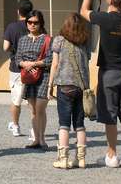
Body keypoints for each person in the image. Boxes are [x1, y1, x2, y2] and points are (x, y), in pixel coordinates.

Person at [81, 0, 121, 168]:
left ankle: (112, 155)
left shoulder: (105, 19)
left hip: (108, 74)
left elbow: (83, 11)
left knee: (110, 117)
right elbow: (113, 2)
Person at [48, 12, 91, 169]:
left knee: (64, 124)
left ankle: (63, 159)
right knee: (79, 124)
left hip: (64, 85)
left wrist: (50, 85)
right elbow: (86, 64)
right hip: (81, 87)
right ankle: (81, 159)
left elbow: (54, 64)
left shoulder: (59, 40)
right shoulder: (84, 43)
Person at [16, 9, 52, 150]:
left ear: (41, 23)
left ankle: (42, 139)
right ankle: (36, 139)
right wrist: (25, 64)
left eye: (35, 22)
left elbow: (50, 59)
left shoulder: (47, 39)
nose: (32, 25)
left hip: (43, 76)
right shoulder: (22, 40)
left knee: (40, 108)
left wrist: (34, 64)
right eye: (29, 22)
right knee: (33, 110)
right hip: (29, 77)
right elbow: (17, 58)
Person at [3, 0, 33, 139]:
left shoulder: (12, 27)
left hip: (16, 67)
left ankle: (15, 126)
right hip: (33, 67)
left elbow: (5, 47)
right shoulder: (35, 25)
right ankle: (34, 130)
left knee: (16, 99)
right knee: (32, 100)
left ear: (18, 11)